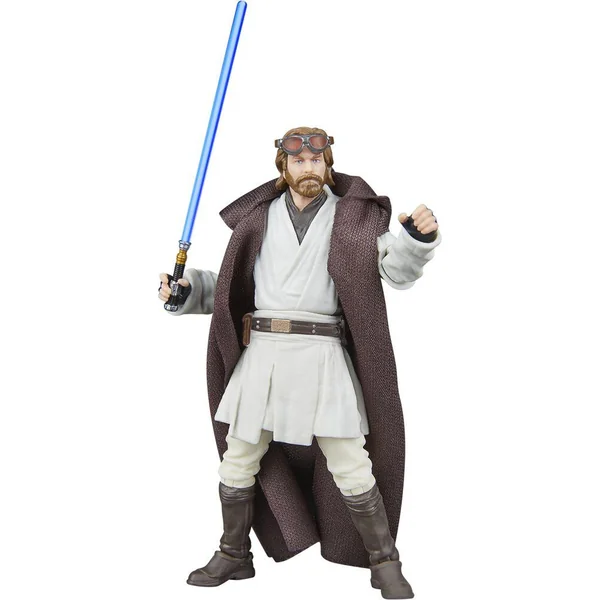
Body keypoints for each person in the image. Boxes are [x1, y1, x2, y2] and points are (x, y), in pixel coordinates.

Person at [158, 127, 441, 599]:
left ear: (327, 166)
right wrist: (187, 291)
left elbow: (395, 269)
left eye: (316, 161)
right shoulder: (260, 219)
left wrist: (414, 240)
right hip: (263, 355)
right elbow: (231, 284)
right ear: (284, 167)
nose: (308, 168)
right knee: (238, 458)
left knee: (351, 461)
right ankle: (233, 552)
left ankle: (384, 561)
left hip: (321, 355)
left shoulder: (352, 220)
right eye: (298, 161)